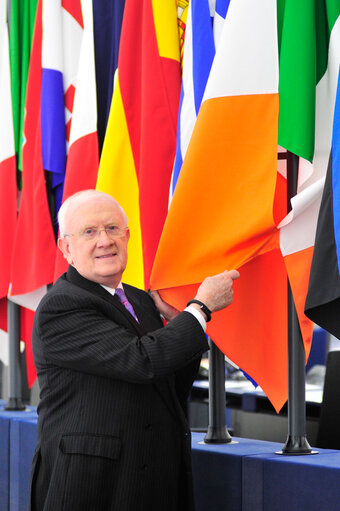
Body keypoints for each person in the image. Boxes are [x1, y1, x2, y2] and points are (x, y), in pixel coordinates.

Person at [30, 189, 239, 511]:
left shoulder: (141, 300)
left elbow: (169, 384)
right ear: (66, 248)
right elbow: (142, 361)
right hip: (94, 486)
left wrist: (177, 326)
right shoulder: (62, 305)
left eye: (113, 229)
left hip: (155, 479)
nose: (105, 241)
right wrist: (200, 309)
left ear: (128, 237)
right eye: (90, 232)